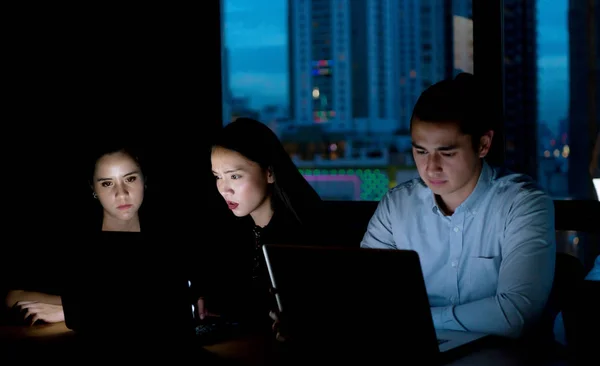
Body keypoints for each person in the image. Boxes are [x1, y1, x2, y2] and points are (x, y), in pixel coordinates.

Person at [360, 73, 556, 338]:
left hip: (504, 363)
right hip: (415, 352)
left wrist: (420, 319)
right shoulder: (397, 207)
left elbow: (515, 315)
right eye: (421, 152)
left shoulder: (522, 205)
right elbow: (363, 297)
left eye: (447, 153)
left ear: (483, 145)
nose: (431, 167)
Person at [196, 117, 325, 331]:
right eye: (218, 177)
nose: (224, 189)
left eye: (235, 176)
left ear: (270, 173)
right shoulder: (224, 232)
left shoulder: (305, 237)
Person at [2, 145, 148, 325]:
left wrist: (77, 310)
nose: (122, 194)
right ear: (93, 188)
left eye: (130, 179)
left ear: (144, 179)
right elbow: (14, 297)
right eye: (107, 183)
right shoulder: (73, 246)